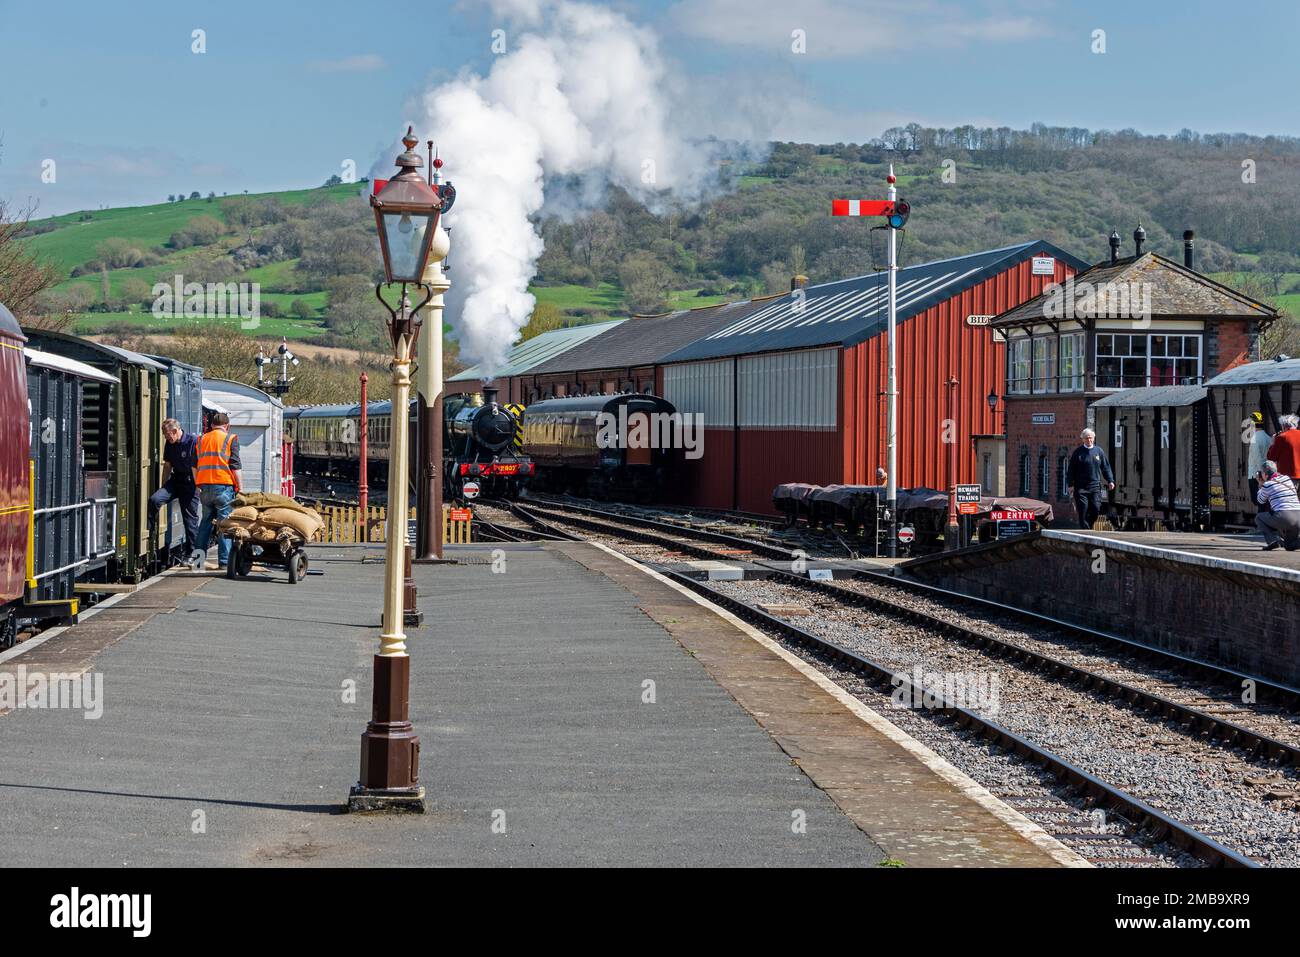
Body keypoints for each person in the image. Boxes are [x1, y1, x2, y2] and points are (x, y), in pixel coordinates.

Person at [191, 412, 243, 569]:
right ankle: (224, 562)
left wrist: (198, 484)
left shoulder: (201, 439)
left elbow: (194, 465)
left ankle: (198, 562)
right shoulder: (230, 438)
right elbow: (235, 466)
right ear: (227, 426)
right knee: (224, 524)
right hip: (223, 487)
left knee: (205, 523)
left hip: (204, 487)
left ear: (212, 425)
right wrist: (240, 487)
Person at [149, 418, 201, 555]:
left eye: (167, 435)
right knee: (155, 499)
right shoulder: (170, 443)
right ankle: (150, 531)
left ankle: (194, 556)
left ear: (175, 431)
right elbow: (167, 466)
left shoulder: (193, 441)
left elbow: (200, 466)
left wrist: (200, 486)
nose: (166, 437)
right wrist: (163, 486)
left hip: (191, 483)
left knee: (190, 521)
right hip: (175, 480)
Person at [1067, 428, 1114, 529]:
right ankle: (1085, 529)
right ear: (1083, 439)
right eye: (1087, 438)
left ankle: (1088, 526)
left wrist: (1110, 480)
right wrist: (1070, 485)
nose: (1089, 440)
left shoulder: (1099, 451)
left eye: (1091, 438)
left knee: (1096, 509)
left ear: (1094, 438)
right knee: (1083, 508)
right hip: (1081, 487)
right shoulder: (1078, 453)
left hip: (1095, 487)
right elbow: (1071, 470)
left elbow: (1105, 467)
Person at [1254, 460, 1300, 551]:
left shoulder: (1267, 484)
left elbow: (1260, 501)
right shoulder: (1287, 478)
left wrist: (1260, 484)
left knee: (1259, 517)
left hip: (1284, 517)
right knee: (1289, 546)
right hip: (1298, 517)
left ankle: (1273, 540)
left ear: (1264, 474)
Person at [1247, 411, 1273, 514]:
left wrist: (1260, 476)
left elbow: (1258, 459)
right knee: (1265, 501)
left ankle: (1261, 526)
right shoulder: (1268, 438)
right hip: (1267, 474)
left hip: (1256, 475)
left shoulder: (1254, 439)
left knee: (1258, 500)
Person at [1267, 413, 1300, 482]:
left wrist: (1273, 442)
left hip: (1288, 477)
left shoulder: (1282, 437)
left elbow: (1271, 457)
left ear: (1284, 426)